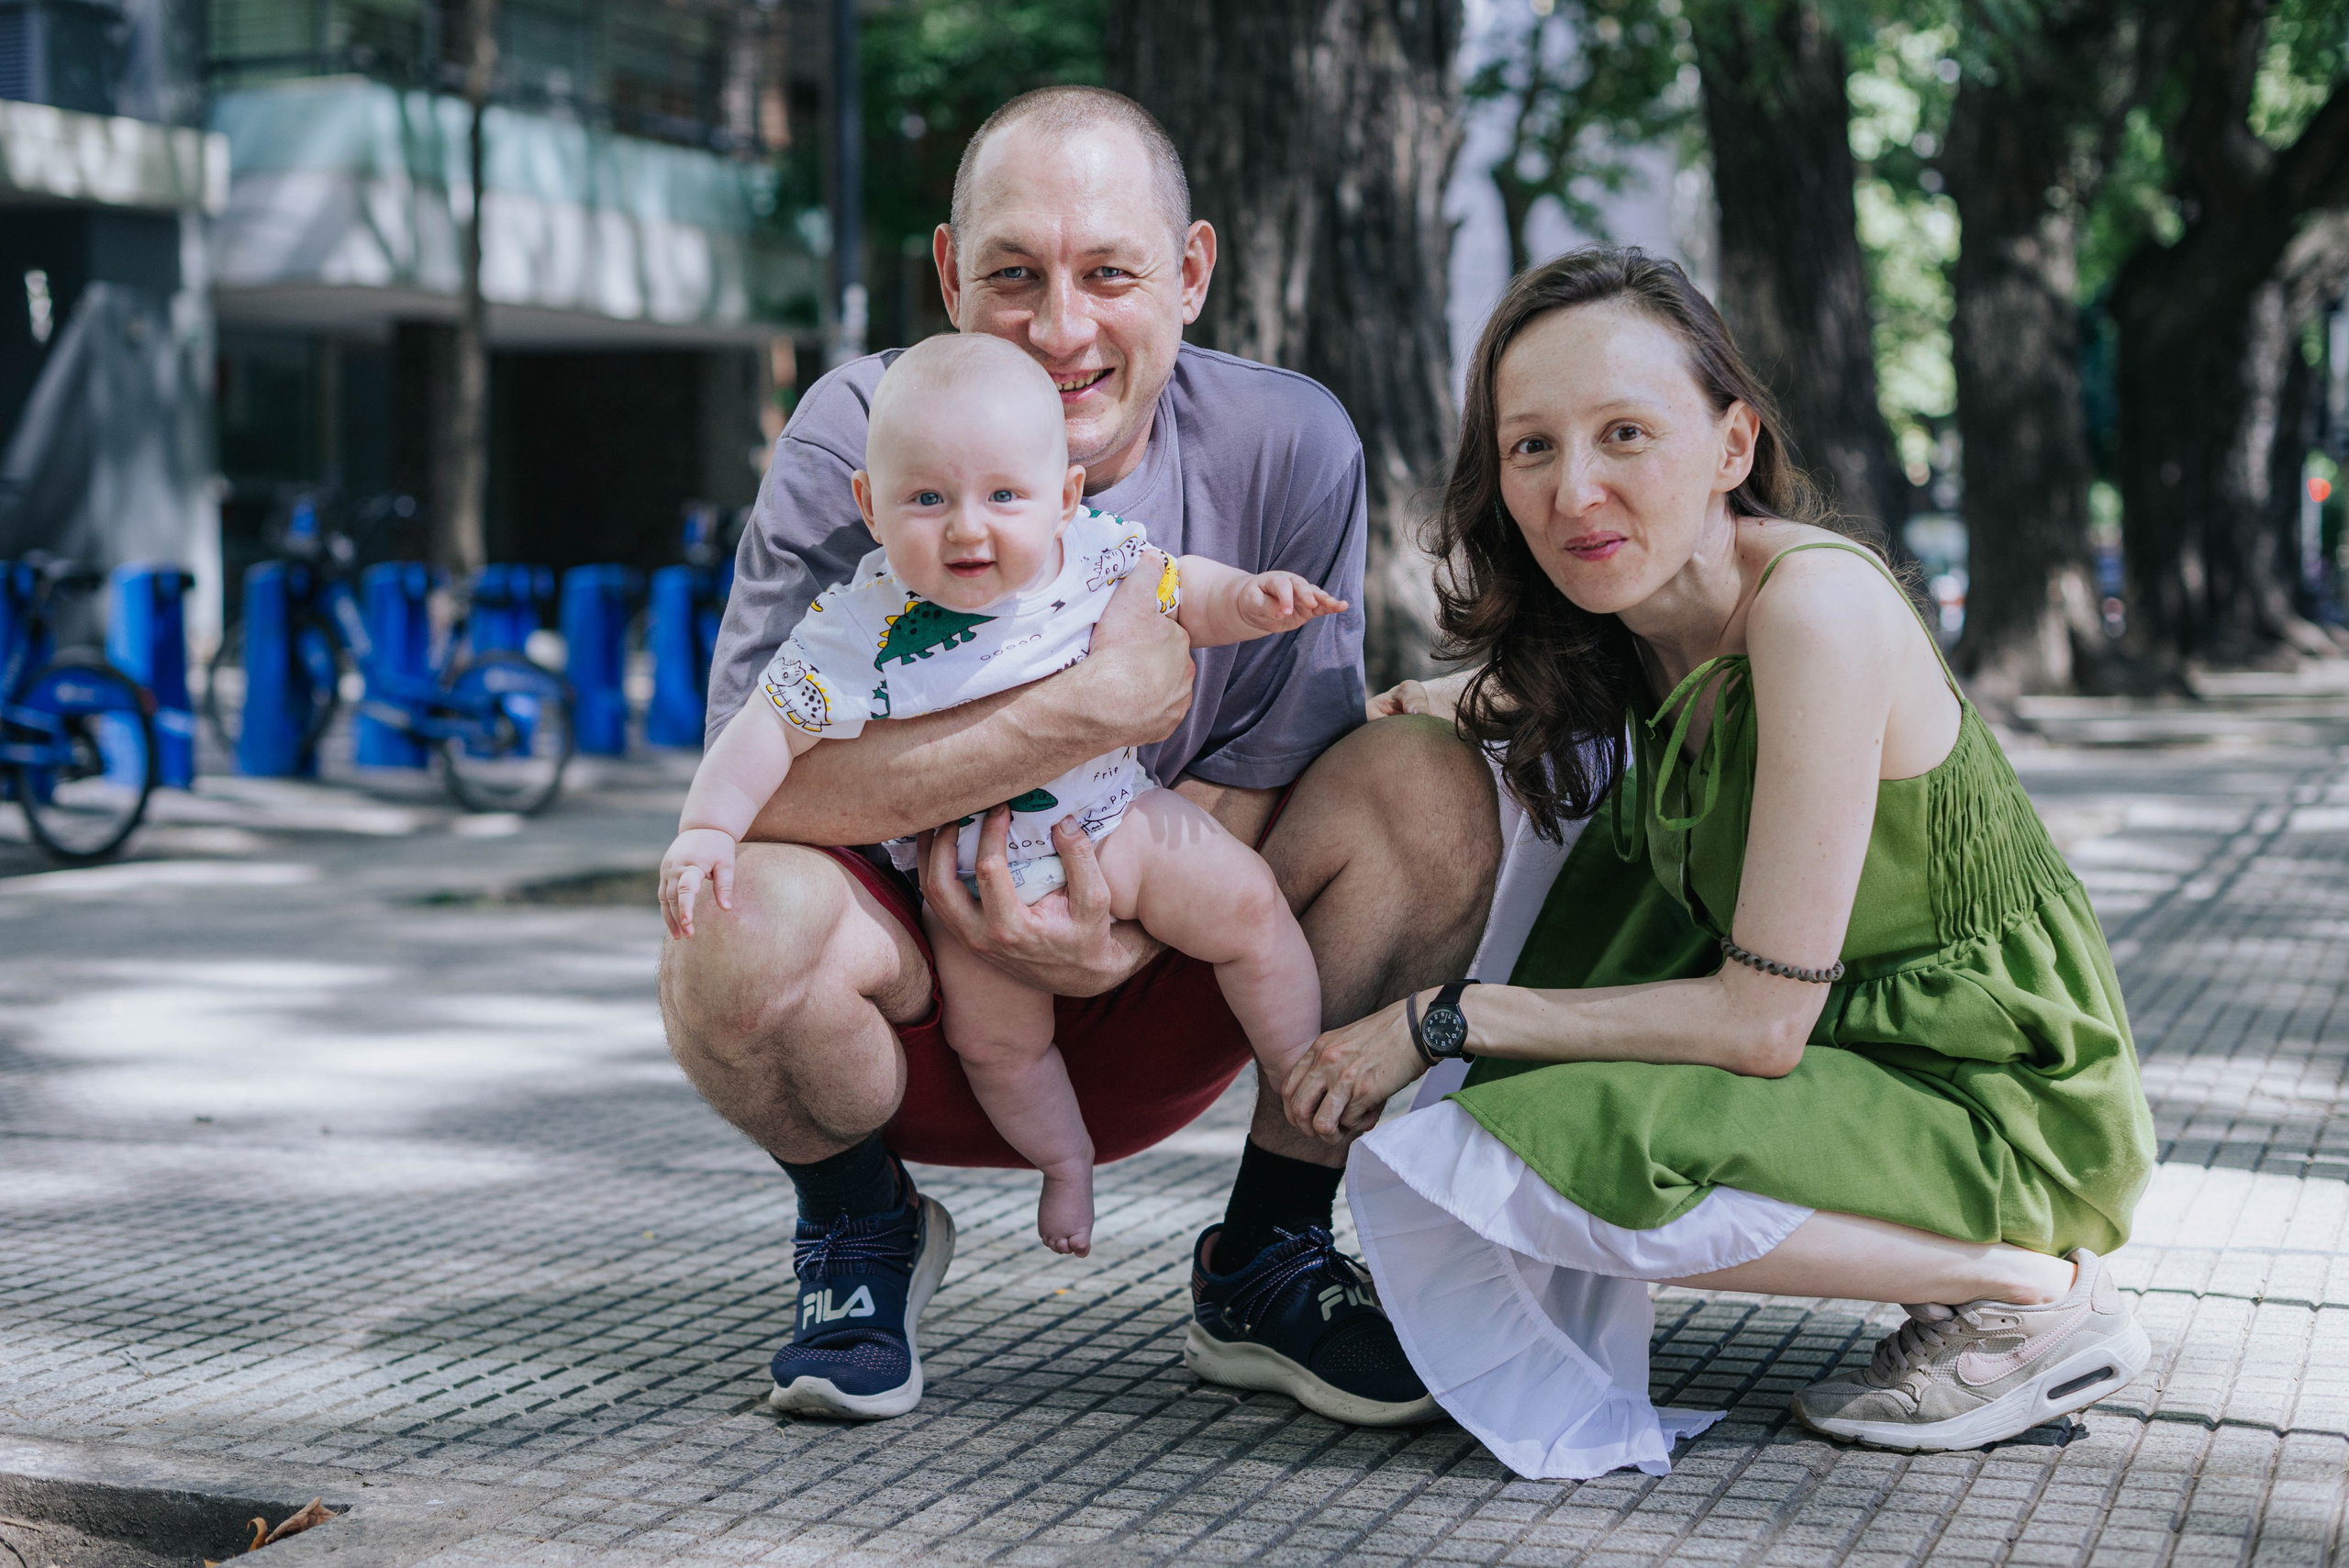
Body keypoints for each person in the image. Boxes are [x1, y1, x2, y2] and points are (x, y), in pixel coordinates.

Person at [661, 85, 1497, 1427]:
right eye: (1012, 276)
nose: (1061, 329)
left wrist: (1120, 928)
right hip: (919, 983)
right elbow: (768, 777)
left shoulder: (1293, 444)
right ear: (947, 273)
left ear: (1190, 273)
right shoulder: (858, 439)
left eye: (1109, 274)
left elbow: (1286, 770)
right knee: (725, 919)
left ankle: (1272, 1247)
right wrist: (1088, 710)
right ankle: (858, 1224)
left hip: (1166, 947)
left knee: (1430, 793)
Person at [1284, 249, 2159, 1477]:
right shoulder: (1632, 630)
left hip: (2000, 1093)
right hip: (1861, 1052)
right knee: (1496, 1122)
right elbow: (1540, 714)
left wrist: (1444, 1020)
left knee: (1519, 1152)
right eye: (1531, 447)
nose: (1575, 490)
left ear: (1733, 446)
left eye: (1626, 433)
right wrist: (1433, 706)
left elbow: (1759, 1028)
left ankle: (2027, 1291)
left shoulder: (1815, 611)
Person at [659, 332, 1344, 1276]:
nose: (967, 529)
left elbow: (1185, 592)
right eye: (927, 499)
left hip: (1118, 817)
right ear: (869, 506)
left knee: (1248, 906)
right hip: (972, 882)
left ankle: (1302, 1065)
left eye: (1004, 496)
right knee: (998, 1044)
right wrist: (707, 826)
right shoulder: (859, 623)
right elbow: (765, 731)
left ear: (1064, 496)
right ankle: (1063, 1166)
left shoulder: (1092, 554)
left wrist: (1253, 600)